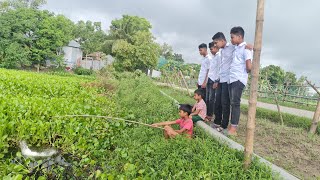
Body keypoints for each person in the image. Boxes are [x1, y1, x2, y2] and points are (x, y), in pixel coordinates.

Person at [228, 26, 252, 135]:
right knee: (232, 103)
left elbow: (249, 66)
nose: (231, 39)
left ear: (239, 36)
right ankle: (231, 125)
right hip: (232, 79)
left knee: (235, 103)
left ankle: (233, 128)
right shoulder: (236, 47)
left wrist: (245, 72)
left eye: (232, 37)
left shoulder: (246, 49)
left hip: (238, 79)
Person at [211, 32, 233, 132]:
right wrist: (217, 80)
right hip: (221, 79)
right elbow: (221, 66)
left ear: (222, 40)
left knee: (225, 103)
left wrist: (248, 45)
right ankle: (217, 121)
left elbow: (242, 46)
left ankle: (224, 125)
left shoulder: (232, 47)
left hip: (228, 80)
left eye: (216, 42)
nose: (215, 45)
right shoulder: (222, 51)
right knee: (218, 101)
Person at [206, 42, 221, 121]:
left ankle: (210, 115)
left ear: (215, 48)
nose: (211, 51)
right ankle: (207, 113)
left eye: (211, 49)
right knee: (208, 98)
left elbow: (219, 69)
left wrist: (216, 81)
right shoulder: (213, 57)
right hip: (209, 79)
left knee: (211, 99)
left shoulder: (219, 56)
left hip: (214, 80)